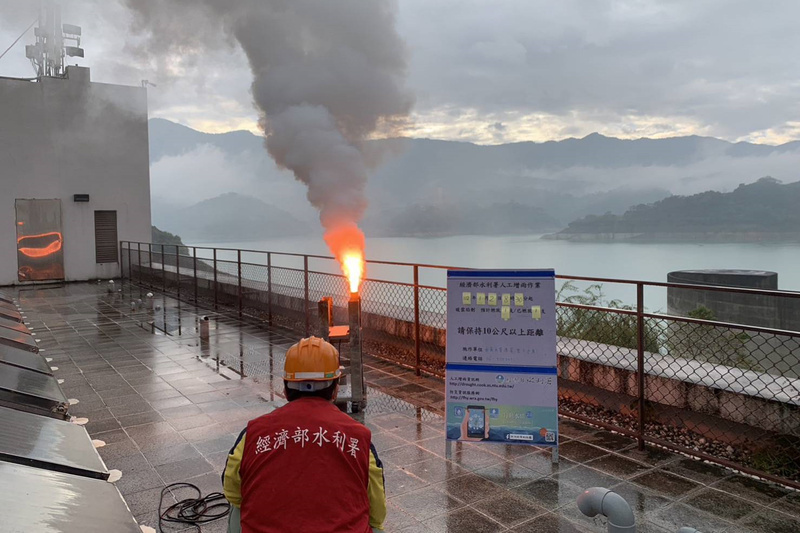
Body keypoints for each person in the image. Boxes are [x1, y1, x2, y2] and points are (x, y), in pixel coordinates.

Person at [222, 336, 386, 533]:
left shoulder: (253, 434)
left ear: (285, 388)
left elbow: (232, 491)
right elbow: (377, 510)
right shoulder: (358, 438)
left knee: (238, 509)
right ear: (335, 390)